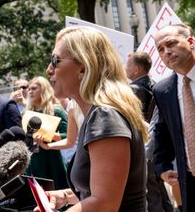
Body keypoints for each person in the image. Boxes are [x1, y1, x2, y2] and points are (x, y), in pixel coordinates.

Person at [38, 26, 147, 212]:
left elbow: (104, 203)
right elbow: (106, 188)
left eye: (55, 61)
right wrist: (66, 196)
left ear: (83, 68)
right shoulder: (97, 114)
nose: (49, 69)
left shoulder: (105, 116)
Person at [153, 23, 195, 212]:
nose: (166, 52)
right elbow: (162, 132)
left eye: (170, 44)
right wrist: (162, 167)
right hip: (189, 182)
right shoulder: (162, 90)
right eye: (160, 49)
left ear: (191, 42)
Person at [125, 52, 174, 212]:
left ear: (137, 70)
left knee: (152, 194)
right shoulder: (155, 84)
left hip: (144, 146)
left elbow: (134, 119)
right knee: (160, 190)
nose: (125, 68)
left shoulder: (133, 89)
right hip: (157, 145)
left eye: (128, 64)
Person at [24, 76, 68, 190]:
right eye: (29, 89)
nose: (30, 91)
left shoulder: (56, 110)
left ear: (43, 90)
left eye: (34, 88)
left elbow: (68, 135)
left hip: (51, 158)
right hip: (33, 159)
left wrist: (47, 134)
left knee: (57, 195)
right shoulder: (26, 112)